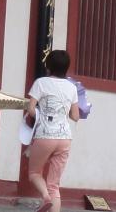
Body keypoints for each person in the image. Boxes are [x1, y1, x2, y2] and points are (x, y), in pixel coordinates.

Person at [26, 50, 80, 212]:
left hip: (45, 135)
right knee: (54, 185)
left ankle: (45, 197)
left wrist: (41, 116)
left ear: (48, 66)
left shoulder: (41, 83)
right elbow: (75, 116)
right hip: (65, 138)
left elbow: (31, 109)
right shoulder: (72, 87)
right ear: (66, 68)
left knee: (35, 173)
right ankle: (50, 197)